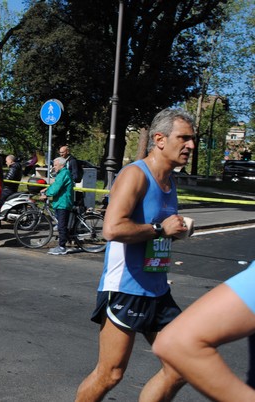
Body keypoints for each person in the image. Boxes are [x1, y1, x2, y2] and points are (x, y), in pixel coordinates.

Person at [75, 108, 195, 402]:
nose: (191, 145)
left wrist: (173, 231)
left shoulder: (169, 182)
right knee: (111, 373)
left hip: (157, 288)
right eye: (184, 138)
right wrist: (158, 228)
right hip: (126, 288)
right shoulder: (134, 175)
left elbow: (157, 232)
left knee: (182, 365)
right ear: (160, 139)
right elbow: (112, 229)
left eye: (193, 139)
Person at [152, 262, 255, 401]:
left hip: (157, 288)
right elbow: (177, 342)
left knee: (175, 372)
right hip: (129, 288)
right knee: (113, 374)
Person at [39, 157, 74, 255]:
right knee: (61, 224)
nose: (54, 167)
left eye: (55, 165)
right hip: (60, 202)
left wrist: (47, 194)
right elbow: (56, 185)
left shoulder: (64, 173)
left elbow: (56, 188)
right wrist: (46, 189)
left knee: (61, 226)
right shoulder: (62, 173)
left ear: (61, 165)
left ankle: (62, 247)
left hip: (63, 203)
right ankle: (66, 240)